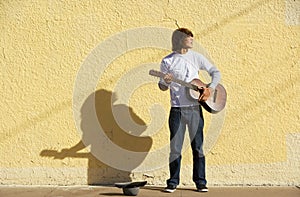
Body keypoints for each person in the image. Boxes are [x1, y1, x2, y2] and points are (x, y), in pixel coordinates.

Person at [158, 28, 221, 193]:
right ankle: (172, 182)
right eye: (188, 37)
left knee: (198, 147)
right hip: (177, 110)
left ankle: (200, 182)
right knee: (175, 148)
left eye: (192, 37)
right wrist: (165, 82)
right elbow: (162, 87)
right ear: (179, 39)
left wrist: (210, 88)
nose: (192, 39)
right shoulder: (167, 61)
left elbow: (216, 72)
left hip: (194, 109)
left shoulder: (196, 57)